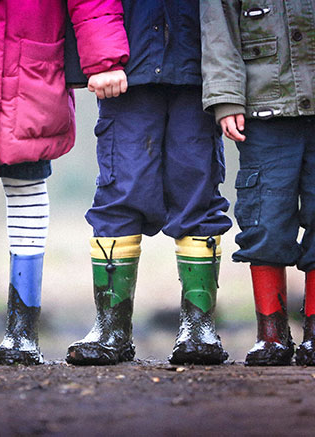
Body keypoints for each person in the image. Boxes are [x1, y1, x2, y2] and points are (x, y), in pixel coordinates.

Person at [0, 0, 129, 365]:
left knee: (25, 187)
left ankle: (22, 332)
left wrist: (105, 58)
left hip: (28, 79)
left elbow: (93, 4)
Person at [65, 0, 232, 366]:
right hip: (126, 71)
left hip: (202, 70)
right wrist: (101, 58)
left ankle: (199, 323)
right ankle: (111, 326)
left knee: (198, 192)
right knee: (120, 192)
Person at [201, 0, 315, 366]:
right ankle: (271, 335)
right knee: (265, 218)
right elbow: (218, 31)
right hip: (263, 113)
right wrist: (227, 98)